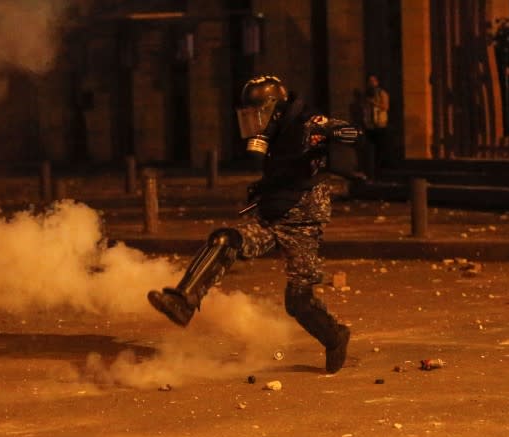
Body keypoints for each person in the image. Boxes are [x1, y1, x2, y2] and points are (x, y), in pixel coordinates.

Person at [147, 75, 363, 374]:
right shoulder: (275, 135)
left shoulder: (307, 122)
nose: (253, 122)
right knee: (226, 239)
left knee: (298, 302)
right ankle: (184, 300)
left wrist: (324, 136)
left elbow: (352, 133)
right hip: (271, 217)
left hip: (303, 224)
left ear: (273, 108)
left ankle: (335, 336)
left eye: (257, 113)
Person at [363, 73, 389, 180]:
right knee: (369, 150)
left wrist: (374, 103)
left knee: (380, 150)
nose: (371, 83)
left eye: (373, 81)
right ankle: (370, 173)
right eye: (369, 81)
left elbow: (385, 107)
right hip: (369, 126)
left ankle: (380, 173)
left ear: (377, 82)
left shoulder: (382, 93)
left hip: (380, 125)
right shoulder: (366, 94)